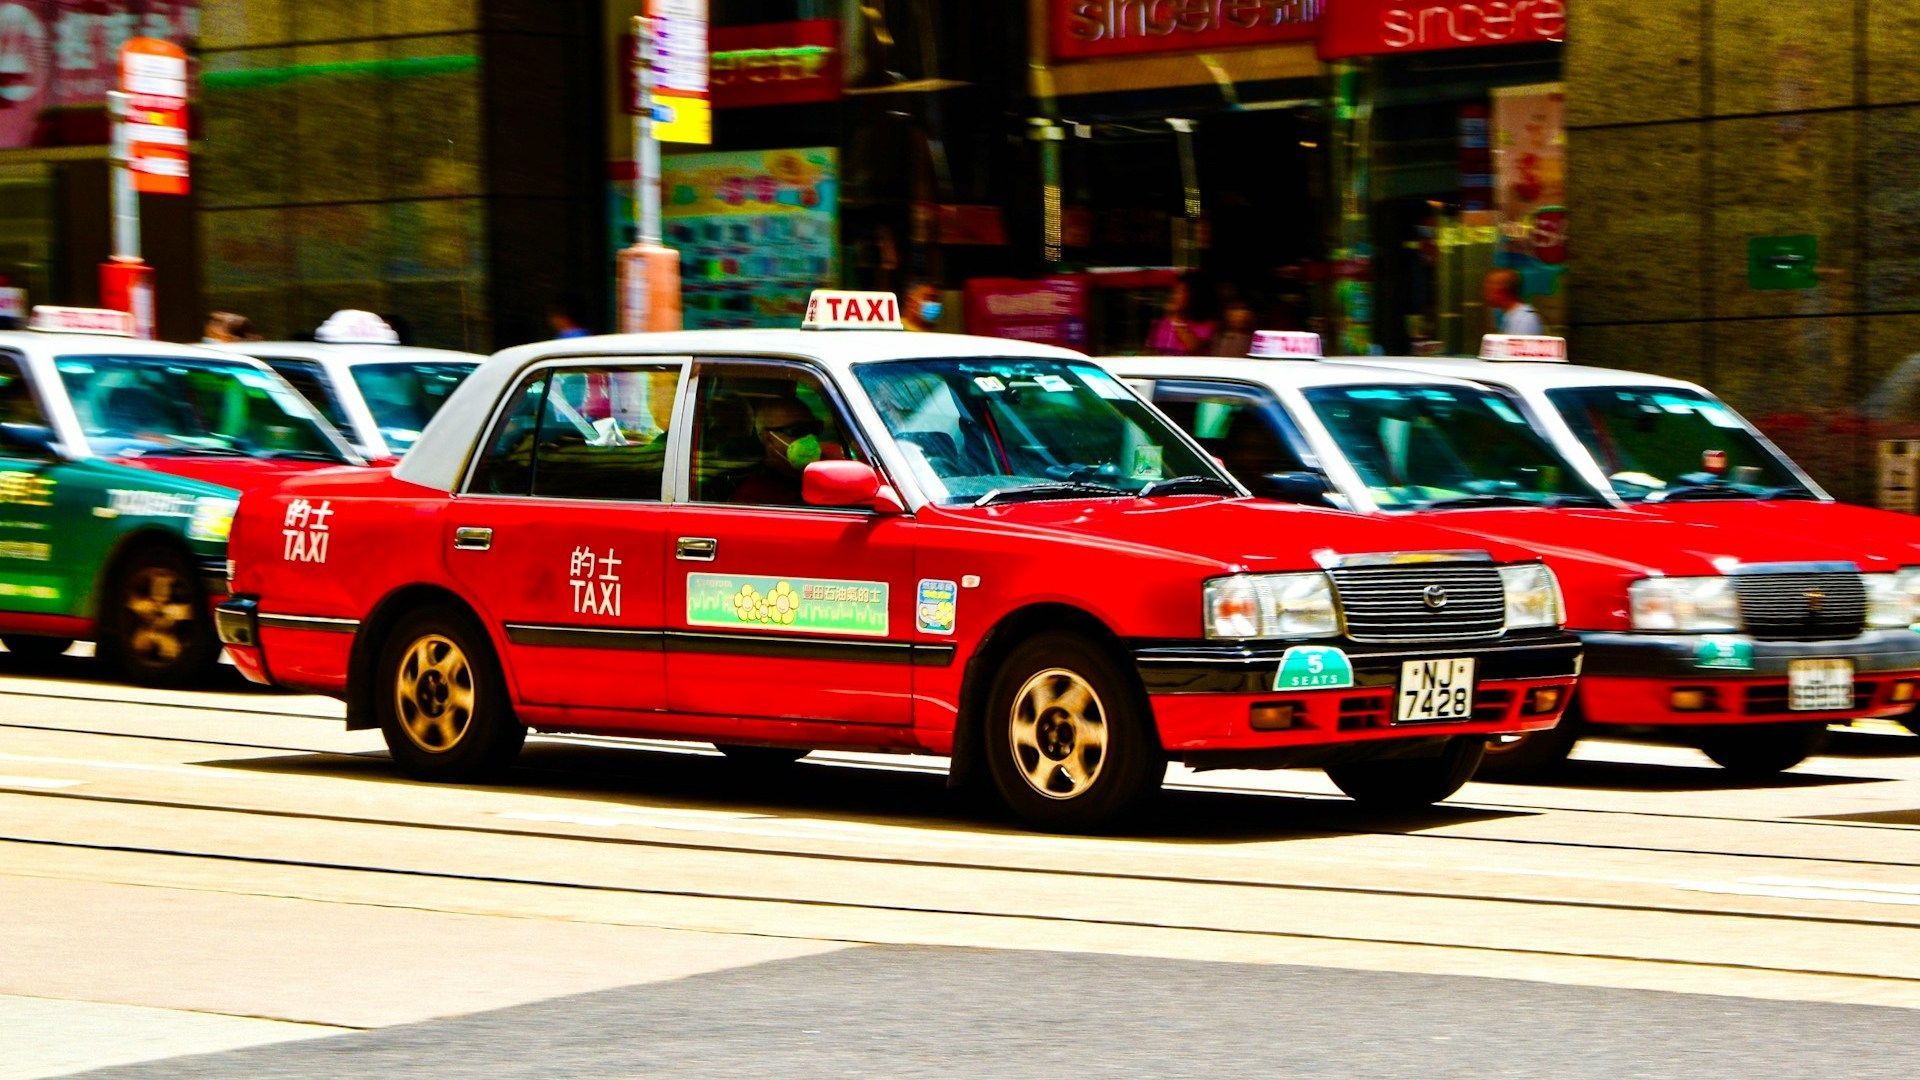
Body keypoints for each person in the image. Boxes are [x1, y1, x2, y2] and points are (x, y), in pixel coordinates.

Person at [730, 396, 825, 506]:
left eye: (815, 427)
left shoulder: (825, 474)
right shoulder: (753, 497)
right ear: (768, 438)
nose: (810, 437)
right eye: (797, 430)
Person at [1146, 279, 1216, 355]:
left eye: (1179, 292)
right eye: (1174, 292)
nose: (1173, 296)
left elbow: (1193, 347)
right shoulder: (1162, 322)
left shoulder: (1205, 324)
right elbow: (1152, 351)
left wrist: (1176, 318)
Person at [1483, 268, 1545, 335]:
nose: (1485, 291)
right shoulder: (1512, 316)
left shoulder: (1523, 320)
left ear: (1502, 290)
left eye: (1490, 286)